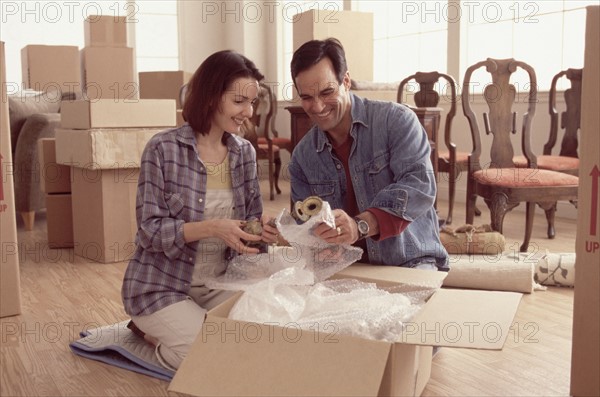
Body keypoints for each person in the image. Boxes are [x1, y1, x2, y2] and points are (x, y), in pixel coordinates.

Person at [121, 50, 278, 370]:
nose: (248, 112)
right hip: (162, 288)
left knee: (265, 337)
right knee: (207, 359)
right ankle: (149, 335)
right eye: (239, 102)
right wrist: (211, 227)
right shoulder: (162, 148)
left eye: (252, 102)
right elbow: (150, 231)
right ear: (210, 96)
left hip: (220, 282)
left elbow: (251, 228)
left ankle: (186, 328)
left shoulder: (244, 153)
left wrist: (271, 232)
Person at [288, 38, 449, 271]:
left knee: (411, 308)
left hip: (408, 261)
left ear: (346, 81)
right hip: (344, 266)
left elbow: (420, 187)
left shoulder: (396, 120)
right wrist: (297, 231)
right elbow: (304, 223)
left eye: (327, 92)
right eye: (306, 97)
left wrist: (360, 225)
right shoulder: (302, 157)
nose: (318, 107)